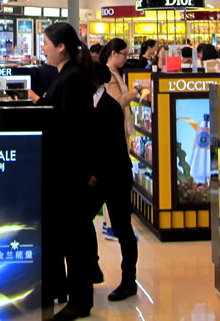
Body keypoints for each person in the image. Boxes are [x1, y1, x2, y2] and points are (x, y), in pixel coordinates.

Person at [36, 22, 97, 319]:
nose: (43, 47)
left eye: (46, 42)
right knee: (70, 236)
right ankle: (69, 293)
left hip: (71, 173)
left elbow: (69, 126)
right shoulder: (66, 75)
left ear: (61, 47)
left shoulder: (73, 79)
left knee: (75, 239)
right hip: (67, 171)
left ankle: (80, 301)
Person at [88, 62, 137, 303]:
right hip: (101, 175)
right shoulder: (94, 103)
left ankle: (129, 281)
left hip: (114, 176)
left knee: (122, 228)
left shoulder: (108, 106)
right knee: (82, 219)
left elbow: (109, 148)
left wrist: (95, 173)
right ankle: (92, 267)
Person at [99, 39, 137, 138]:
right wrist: (136, 91)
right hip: (116, 126)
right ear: (114, 53)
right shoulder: (110, 75)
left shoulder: (115, 72)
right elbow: (119, 101)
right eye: (124, 54)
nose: (126, 58)